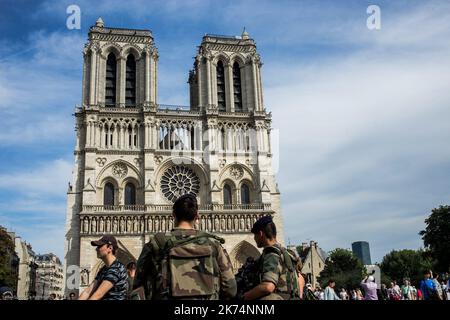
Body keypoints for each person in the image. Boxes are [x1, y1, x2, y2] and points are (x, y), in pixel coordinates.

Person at [133, 193, 236, 300]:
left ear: (173, 214)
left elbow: (137, 287)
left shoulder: (156, 244)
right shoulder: (213, 244)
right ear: (197, 216)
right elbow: (231, 289)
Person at [242, 216, 300, 300]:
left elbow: (268, 286)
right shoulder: (287, 253)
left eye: (255, 235)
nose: (254, 238)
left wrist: (246, 296)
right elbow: (300, 280)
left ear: (261, 234)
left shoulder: (272, 254)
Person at [78, 235, 128, 300]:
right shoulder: (104, 269)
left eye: (99, 246)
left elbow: (98, 294)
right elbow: (88, 291)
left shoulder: (116, 268)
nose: (96, 249)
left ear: (110, 248)